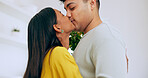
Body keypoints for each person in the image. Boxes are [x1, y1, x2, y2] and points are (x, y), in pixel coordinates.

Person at [59, 0, 128, 78]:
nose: (67, 14)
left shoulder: (105, 36)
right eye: (66, 10)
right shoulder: (89, 37)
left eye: (72, 8)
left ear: (92, 4)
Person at [23, 7, 82, 78]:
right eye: (63, 15)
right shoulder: (58, 53)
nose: (68, 16)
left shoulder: (47, 59)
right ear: (58, 28)